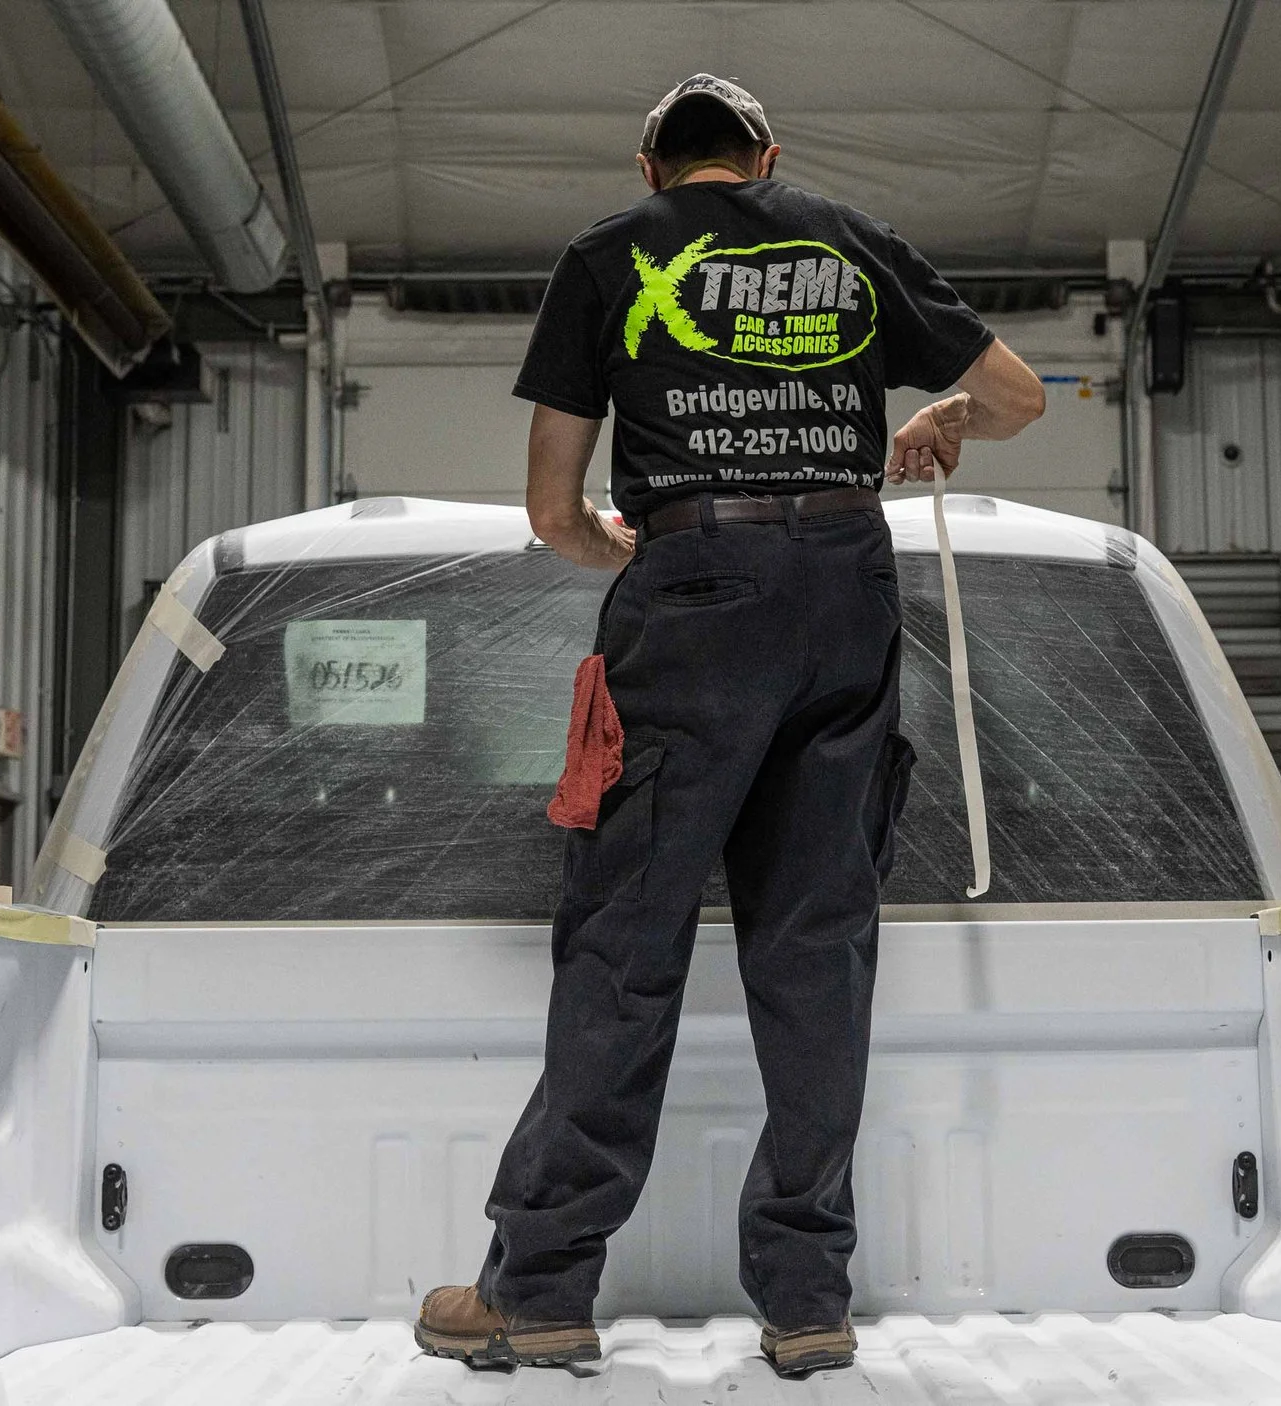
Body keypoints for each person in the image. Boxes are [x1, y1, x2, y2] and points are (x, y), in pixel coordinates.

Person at [414, 73, 1045, 1379]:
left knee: (626, 942)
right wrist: (943, 417)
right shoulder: (850, 242)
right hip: (847, 588)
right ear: (766, 159)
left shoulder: (609, 255)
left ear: (651, 169)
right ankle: (808, 1298)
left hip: (695, 592)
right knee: (817, 947)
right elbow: (1021, 397)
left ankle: (541, 1290)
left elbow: (551, 509)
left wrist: (621, 549)